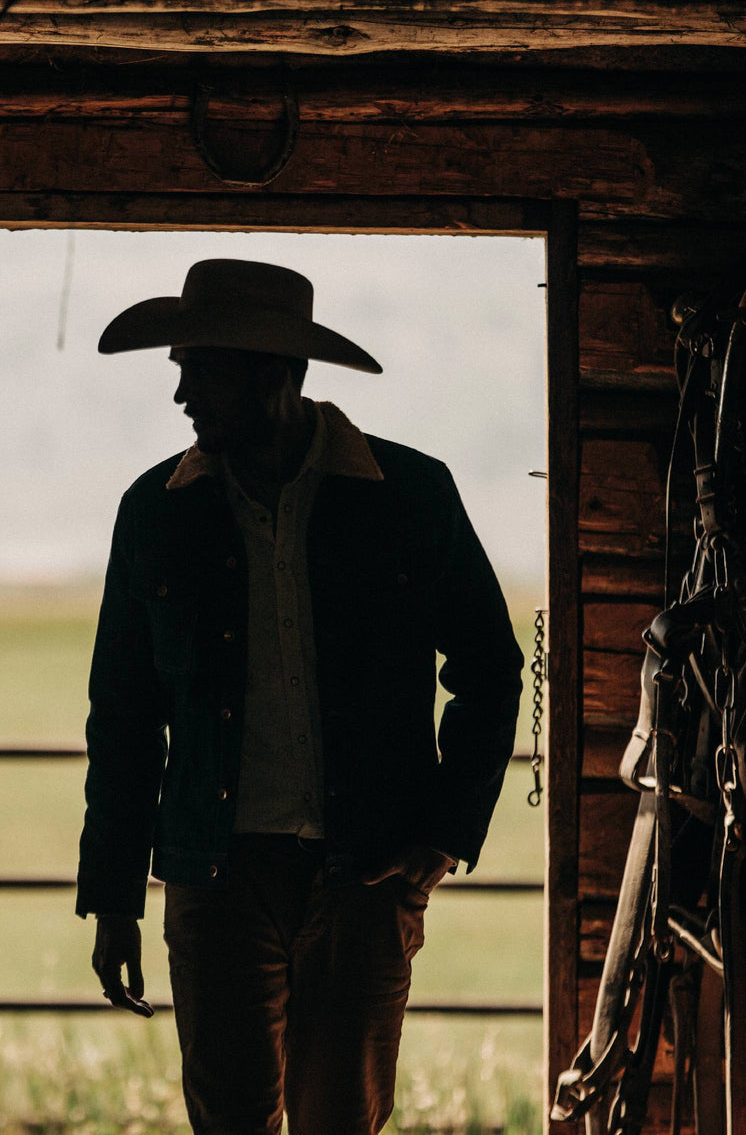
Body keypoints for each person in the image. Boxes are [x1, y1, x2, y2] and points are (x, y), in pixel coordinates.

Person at [76, 258, 523, 1135]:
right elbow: (122, 717)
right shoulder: (155, 512)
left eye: (199, 369)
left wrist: (443, 832)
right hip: (215, 875)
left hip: (365, 871)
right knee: (231, 1121)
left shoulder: (409, 496)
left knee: (342, 1121)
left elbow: (490, 666)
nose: (181, 396)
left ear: (272, 373)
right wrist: (114, 896)